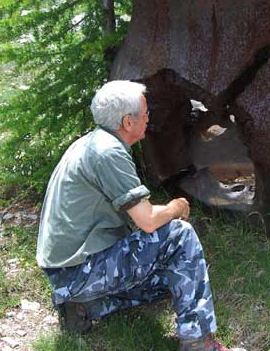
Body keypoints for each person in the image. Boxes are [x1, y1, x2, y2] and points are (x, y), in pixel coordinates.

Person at [36, 80, 228, 351]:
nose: (149, 118)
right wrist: (176, 208)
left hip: (68, 271)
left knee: (175, 276)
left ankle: (85, 306)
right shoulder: (109, 153)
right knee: (179, 236)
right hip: (76, 271)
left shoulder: (94, 143)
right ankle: (198, 341)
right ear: (128, 122)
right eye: (146, 113)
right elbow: (147, 220)